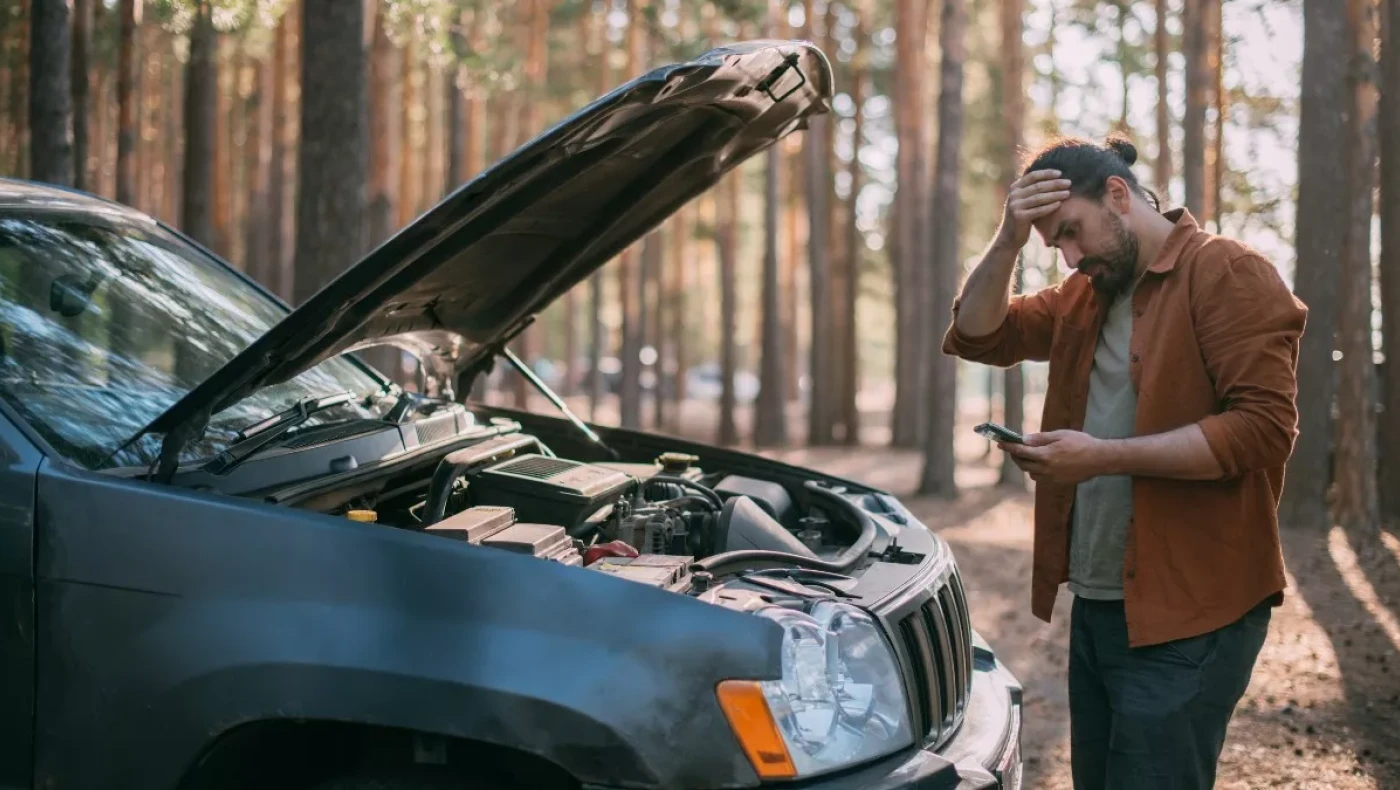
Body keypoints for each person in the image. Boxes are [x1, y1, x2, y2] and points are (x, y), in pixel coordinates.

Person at [942, 136, 1307, 790]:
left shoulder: (1227, 272)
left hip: (1192, 613)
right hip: (1101, 604)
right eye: (1055, 244)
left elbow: (1264, 430)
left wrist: (1101, 458)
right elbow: (978, 333)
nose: (1070, 256)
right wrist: (1009, 240)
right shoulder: (1085, 295)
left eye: (1071, 232)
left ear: (1117, 195)